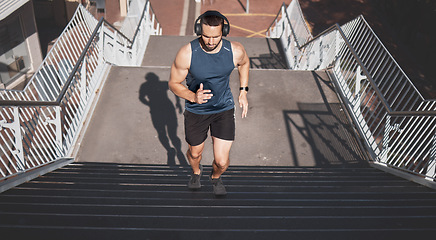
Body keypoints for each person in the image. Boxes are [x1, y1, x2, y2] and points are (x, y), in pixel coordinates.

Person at [169, 10, 249, 196]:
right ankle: (196, 172)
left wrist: (243, 92)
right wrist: (192, 96)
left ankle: (215, 177)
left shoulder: (234, 50)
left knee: (222, 161)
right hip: (197, 110)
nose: (211, 41)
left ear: (224, 32)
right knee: (195, 154)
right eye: (206, 36)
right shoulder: (187, 53)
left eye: (216, 36)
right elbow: (173, 83)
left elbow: (244, 64)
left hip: (223, 108)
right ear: (199, 30)